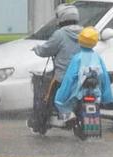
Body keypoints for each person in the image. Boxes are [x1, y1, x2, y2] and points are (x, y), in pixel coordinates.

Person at [28, 4, 82, 132]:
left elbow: (45, 50)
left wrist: (36, 48)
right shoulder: (85, 32)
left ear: (61, 17)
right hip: (83, 77)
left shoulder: (60, 34)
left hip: (63, 78)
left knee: (45, 97)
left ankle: (40, 123)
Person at [54, 27, 113, 118]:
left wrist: (61, 97)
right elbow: (104, 77)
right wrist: (107, 97)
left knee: (61, 100)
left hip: (78, 94)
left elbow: (69, 78)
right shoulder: (97, 57)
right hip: (96, 93)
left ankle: (68, 115)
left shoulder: (77, 58)